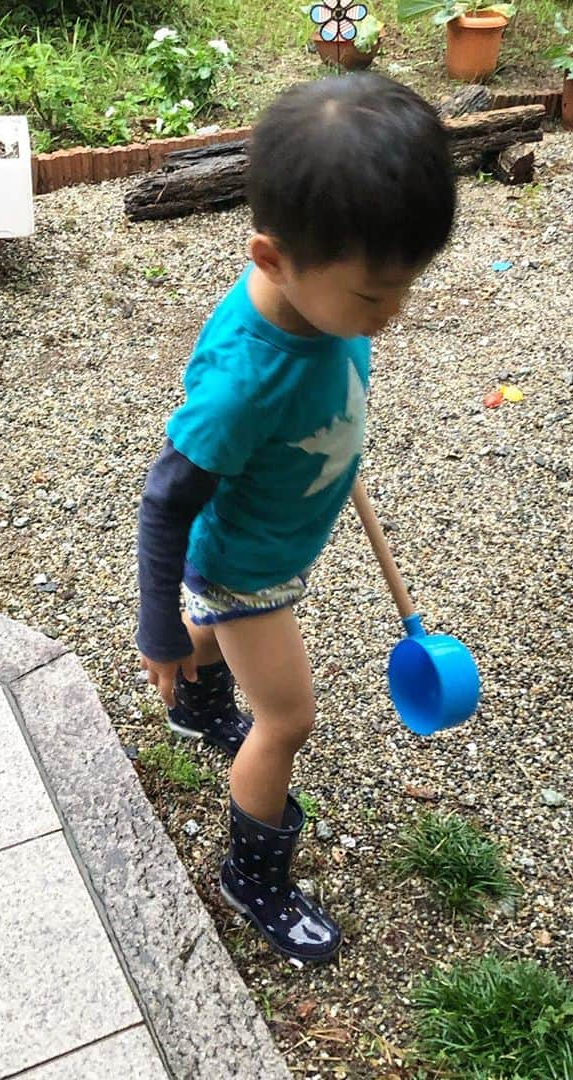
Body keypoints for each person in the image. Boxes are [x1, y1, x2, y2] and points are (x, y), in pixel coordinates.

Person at [136, 73, 457, 963]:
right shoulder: (244, 383)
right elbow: (166, 503)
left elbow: (329, 368)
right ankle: (255, 879)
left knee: (227, 645)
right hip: (245, 563)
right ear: (271, 258)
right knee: (287, 718)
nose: (390, 318)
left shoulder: (323, 285)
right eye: (372, 299)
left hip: (280, 537)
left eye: (406, 288)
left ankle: (196, 700)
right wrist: (156, 621)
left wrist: (332, 451)